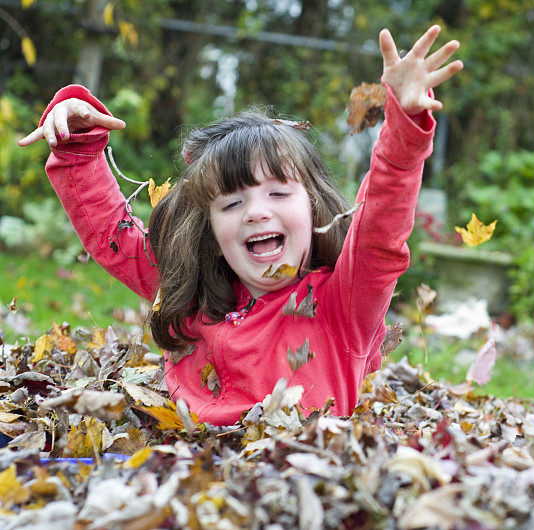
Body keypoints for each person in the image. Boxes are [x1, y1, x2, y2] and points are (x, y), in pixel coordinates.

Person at [18, 26, 463, 426]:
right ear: (210, 231)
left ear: (312, 207)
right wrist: (76, 145)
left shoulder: (344, 305)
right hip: (189, 479)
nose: (255, 211)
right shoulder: (191, 293)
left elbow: (381, 232)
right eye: (231, 202)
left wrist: (403, 129)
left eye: (278, 193)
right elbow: (111, 236)